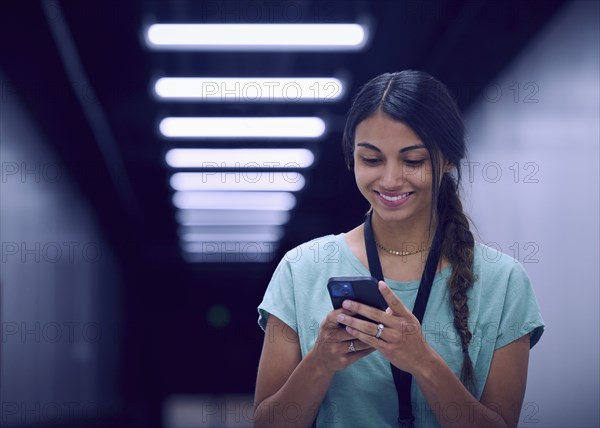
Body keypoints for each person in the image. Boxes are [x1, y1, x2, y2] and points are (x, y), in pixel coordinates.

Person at [253, 70, 544, 428]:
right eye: (372, 160)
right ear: (351, 159)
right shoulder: (301, 269)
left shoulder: (504, 281)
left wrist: (422, 360)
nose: (390, 180)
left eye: (414, 161)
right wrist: (319, 363)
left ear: (448, 160)